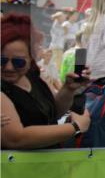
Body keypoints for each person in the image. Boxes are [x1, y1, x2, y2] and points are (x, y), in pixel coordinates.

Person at [1, 14, 91, 149]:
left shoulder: (34, 76)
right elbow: (16, 139)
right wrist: (75, 127)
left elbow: (53, 112)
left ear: (31, 58)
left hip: (46, 166)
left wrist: (68, 89)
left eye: (18, 62)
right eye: (1, 61)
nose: (9, 67)